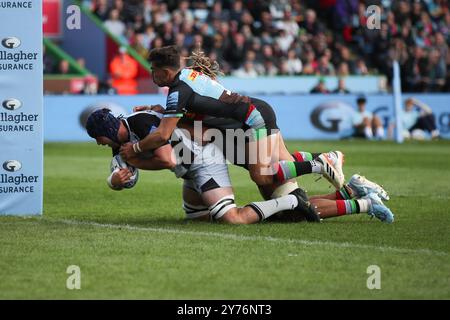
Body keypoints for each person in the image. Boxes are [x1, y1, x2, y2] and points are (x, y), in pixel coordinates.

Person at [87, 108, 395, 224]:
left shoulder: (172, 108)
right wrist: (115, 180)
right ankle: (351, 188)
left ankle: (347, 189)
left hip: (219, 151)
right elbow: (125, 171)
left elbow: (168, 158)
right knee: (197, 216)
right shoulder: (187, 101)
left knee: (280, 206)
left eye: (99, 137)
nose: (100, 143)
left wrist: (135, 154)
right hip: (221, 148)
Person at [119, 46, 345, 202]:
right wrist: (164, 110)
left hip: (253, 118)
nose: (151, 73)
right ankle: (331, 158)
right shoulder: (188, 75)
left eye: (153, 69)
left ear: (165, 72)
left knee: (262, 175)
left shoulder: (179, 90)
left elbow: (162, 135)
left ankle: (320, 163)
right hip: (256, 111)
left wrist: (136, 149)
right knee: (282, 165)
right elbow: (202, 103)